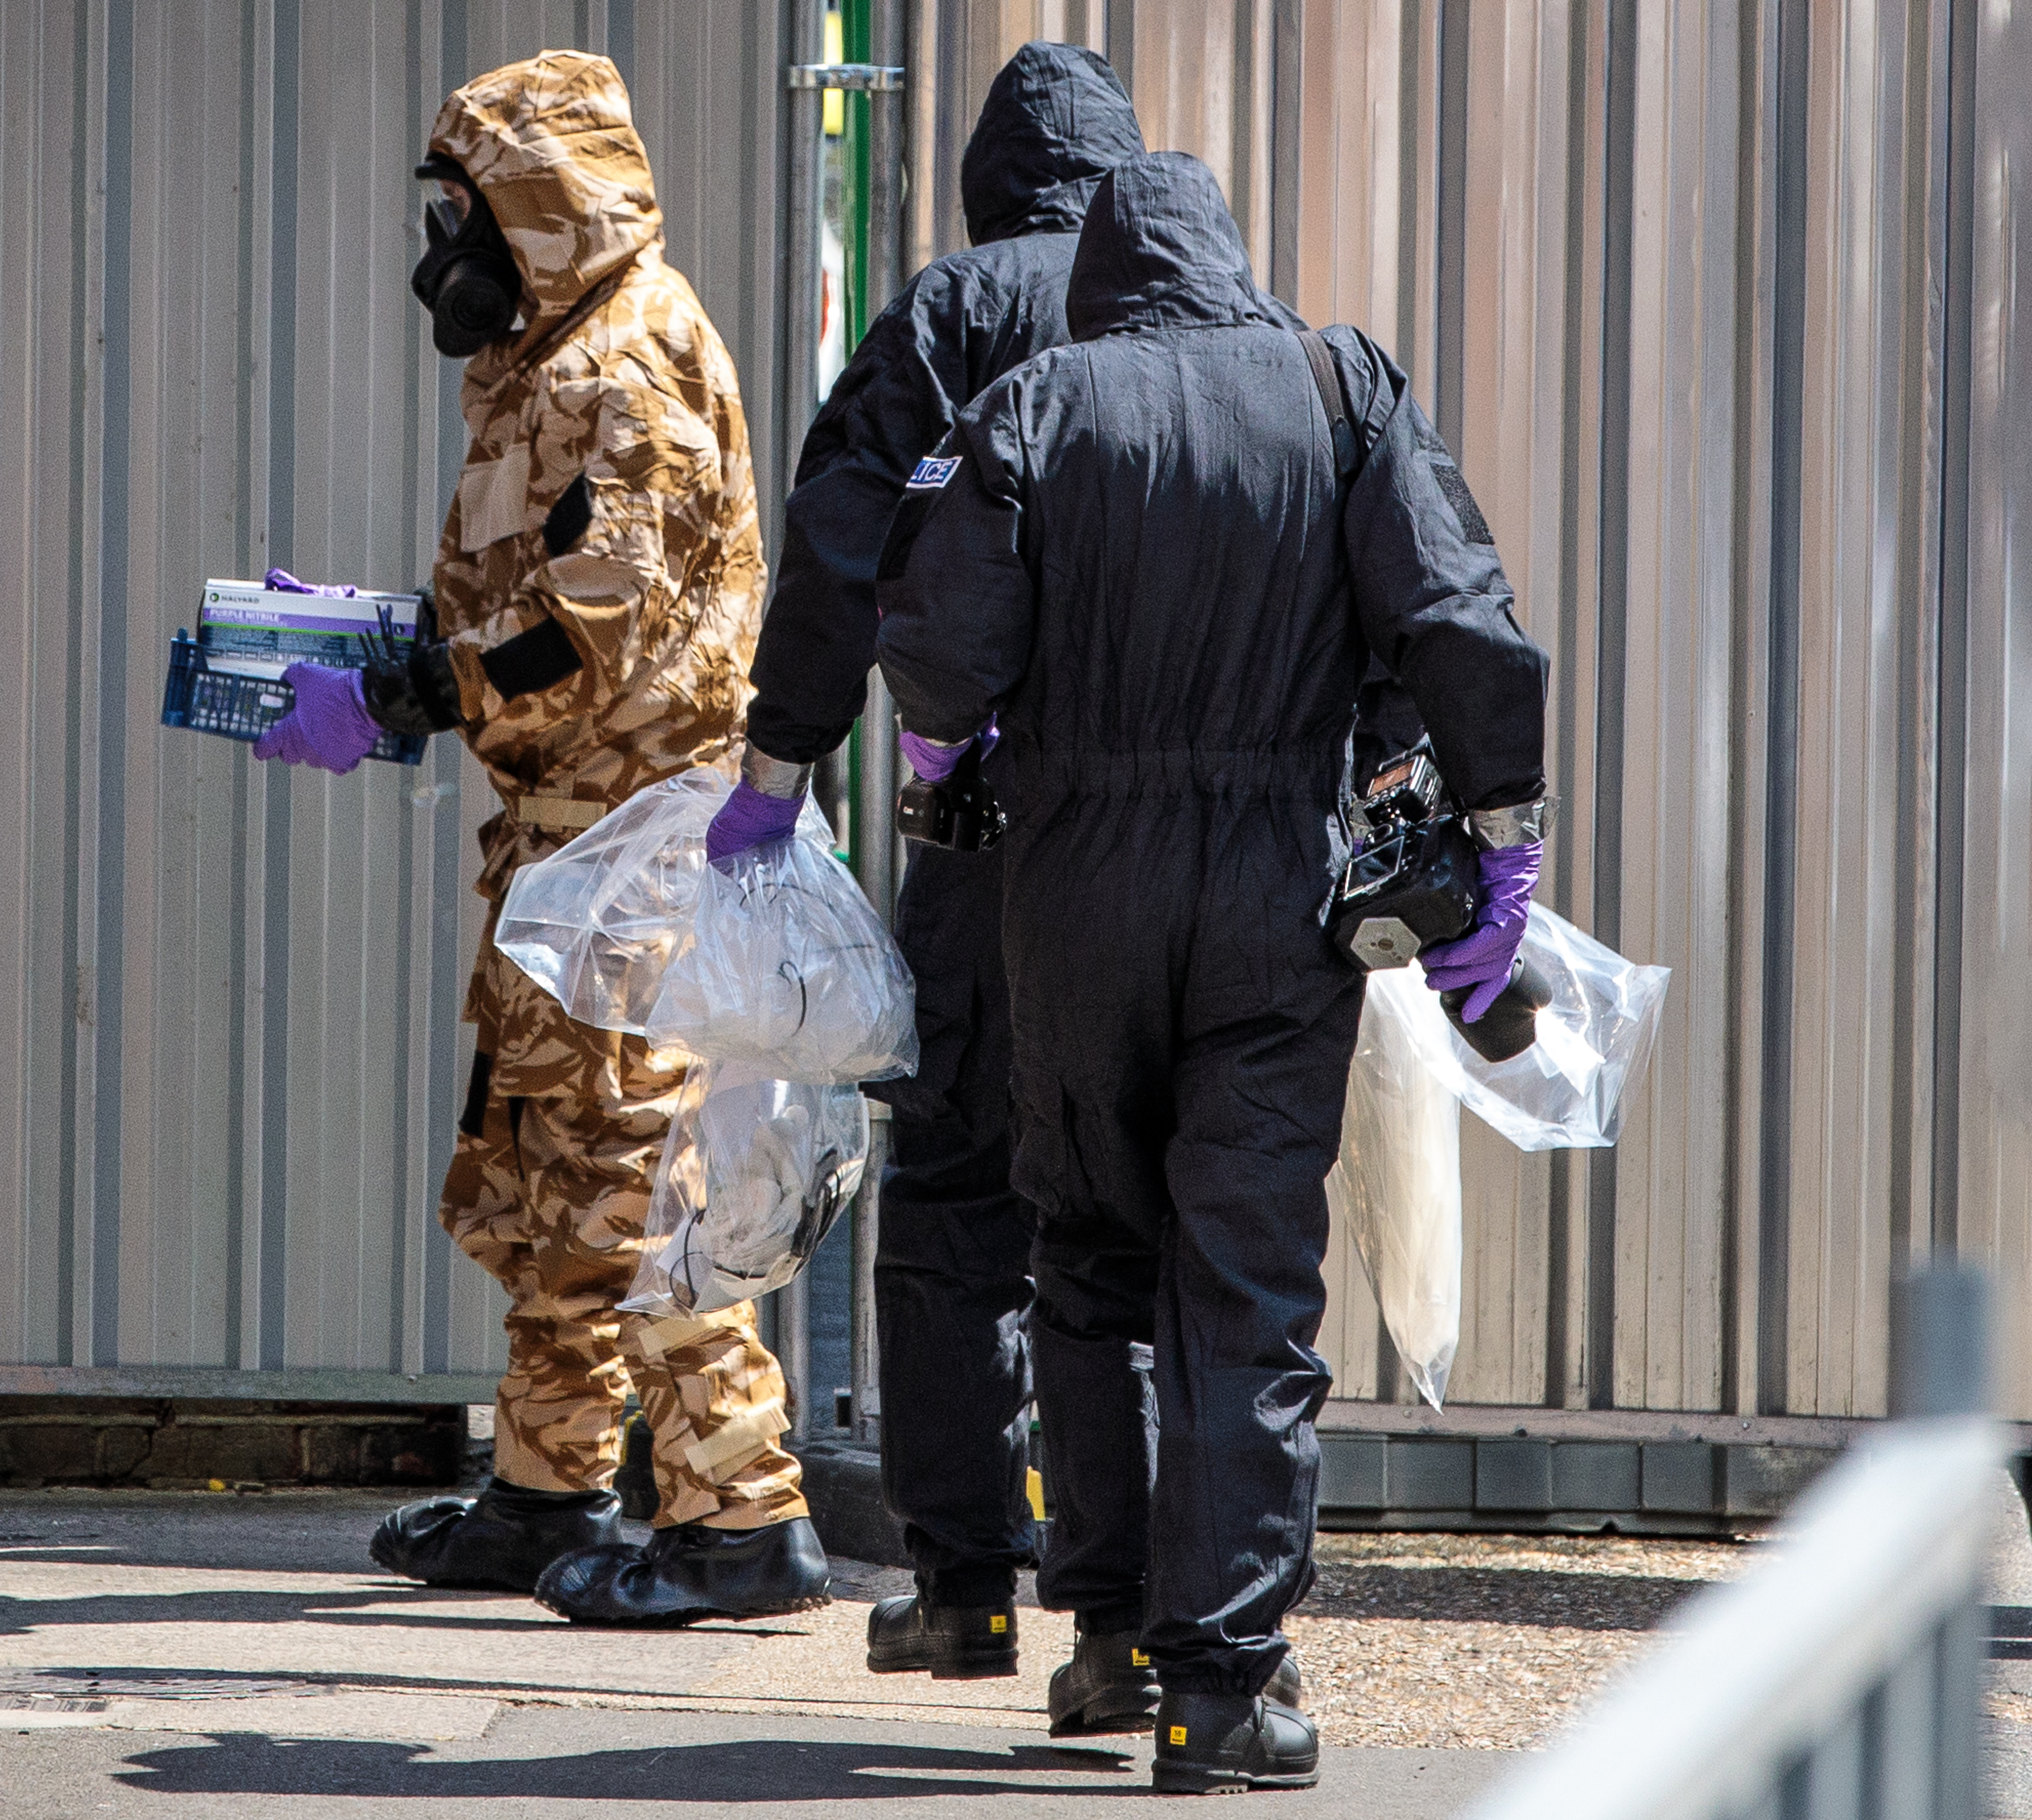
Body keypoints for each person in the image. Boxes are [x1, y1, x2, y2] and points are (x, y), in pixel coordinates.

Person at [873, 154, 1550, 1794]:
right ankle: (1223, 1686)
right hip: (1273, 884)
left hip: (1073, 890)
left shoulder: (1033, 406)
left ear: (1096, 273)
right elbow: (1457, 617)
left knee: (1090, 1262)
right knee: (1246, 1285)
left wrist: (966, 749)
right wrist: (1501, 835)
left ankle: (1106, 1639)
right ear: (1229, 260)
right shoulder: (1336, 386)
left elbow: (938, 652)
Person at [706, 43, 1299, 1737]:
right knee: (1162, 1240)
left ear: (986, 184)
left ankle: (962, 1581)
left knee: (963, 1191)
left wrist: (784, 762)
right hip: (1212, 849)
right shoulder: (1232, 329)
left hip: (985, 833)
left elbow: (838, 544)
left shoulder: (952, 313)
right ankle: (1159, 1624)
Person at [251, 49, 832, 1628]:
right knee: (548, 1166)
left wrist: (406, 697)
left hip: (631, 845)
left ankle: (739, 1518)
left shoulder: (614, 373)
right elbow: (538, 593)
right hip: (576, 839)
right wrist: (397, 639)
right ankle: (546, 1488)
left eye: (468, 214)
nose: (444, 250)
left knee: (630, 1176)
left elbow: (591, 635)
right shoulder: (557, 350)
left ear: (540, 212)